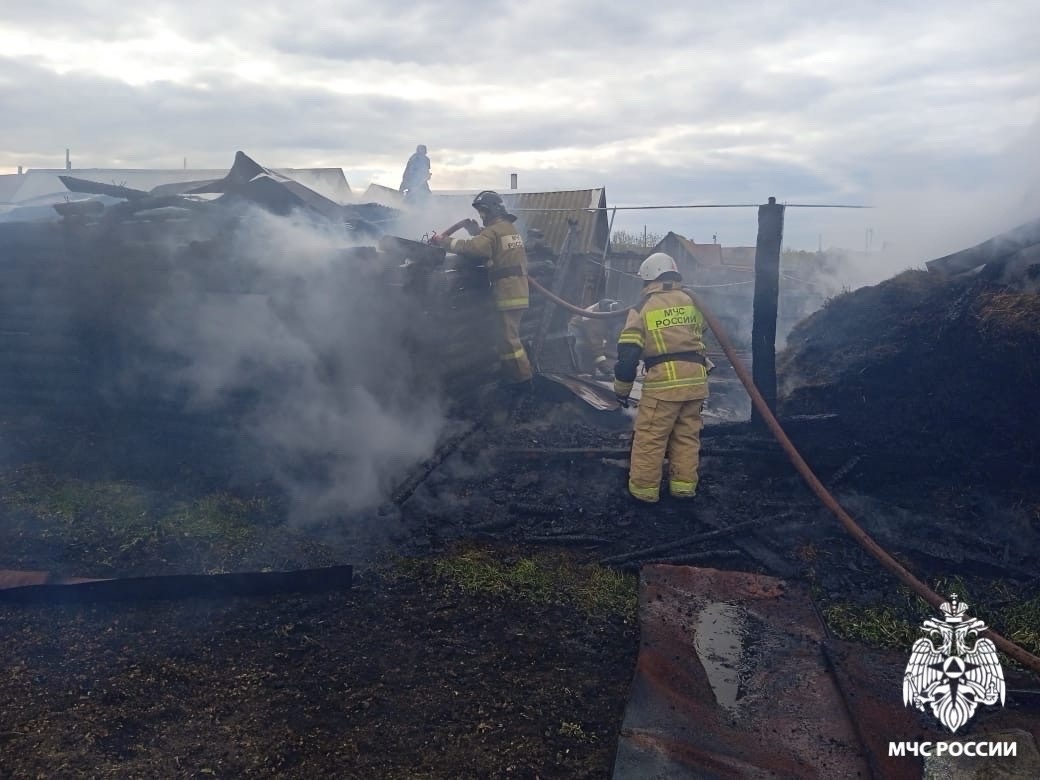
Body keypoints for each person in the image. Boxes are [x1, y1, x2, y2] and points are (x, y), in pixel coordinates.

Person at [613, 252, 710, 503]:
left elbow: (628, 355)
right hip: (696, 383)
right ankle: (683, 488)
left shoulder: (643, 307)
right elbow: (701, 333)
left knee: (650, 438)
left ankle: (643, 493)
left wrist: (622, 390)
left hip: (665, 385)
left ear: (648, 279)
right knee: (687, 437)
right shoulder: (691, 301)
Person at [431, 190, 533, 388]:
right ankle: (512, 377)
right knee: (506, 339)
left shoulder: (494, 231)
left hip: (509, 292)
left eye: (483, 212)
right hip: (516, 290)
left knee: (510, 341)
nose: (482, 215)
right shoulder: (507, 228)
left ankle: (525, 383)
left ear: (493, 210)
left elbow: (476, 249)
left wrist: (444, 242)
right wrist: (476, 232)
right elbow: (491, 244)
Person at [568, 299, 622, 376]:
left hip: (593, 329)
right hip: (577, 330)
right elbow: (596, 345)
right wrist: (604, 368)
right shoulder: (595, 318)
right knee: (584, 347)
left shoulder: (611, 308)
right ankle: (581, 371)